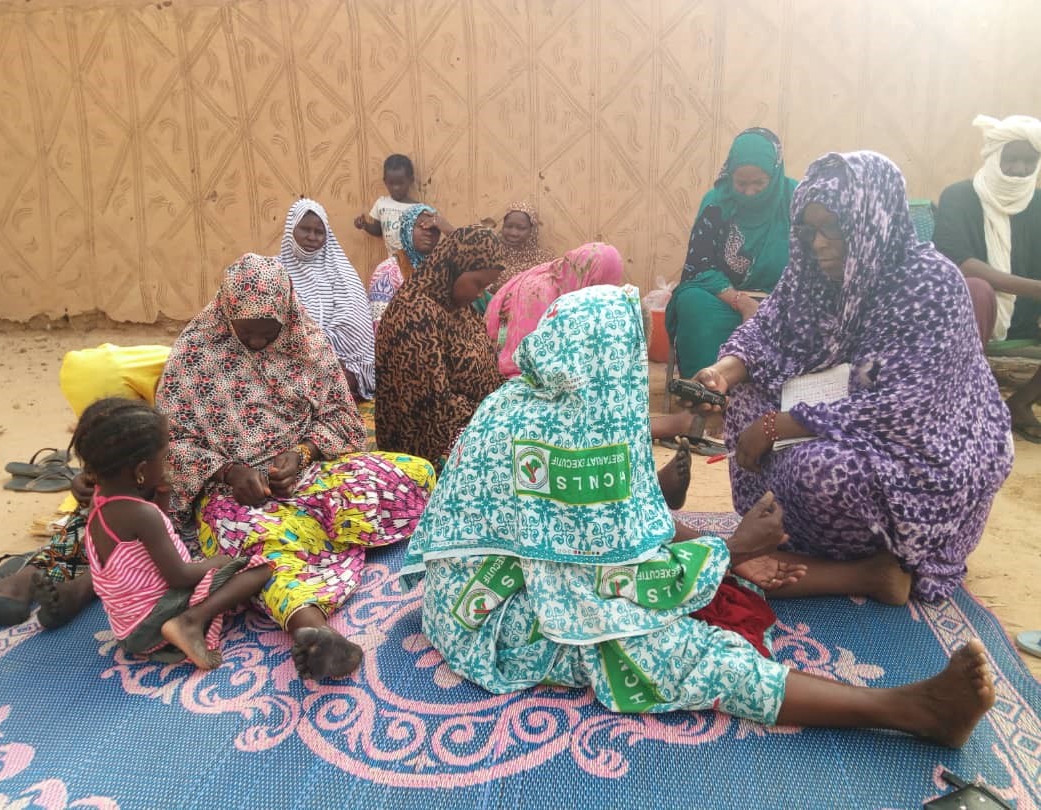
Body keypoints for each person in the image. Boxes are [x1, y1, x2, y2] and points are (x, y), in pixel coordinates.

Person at [399, 284, 994, 749]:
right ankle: (906, 712)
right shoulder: (545, 433)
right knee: (669, 648)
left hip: (550, 558)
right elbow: (594, 576)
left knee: (694, 562)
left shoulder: (564, 400)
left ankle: (865, 578)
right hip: (492, 609)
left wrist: (709, 544)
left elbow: (611, 527)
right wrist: (728, 551)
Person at [694, 151, 1012, 602]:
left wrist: (775, 426)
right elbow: (766, 334)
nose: (818, 243)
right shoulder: (815, 273)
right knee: (747, 396)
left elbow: (905, 409)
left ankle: (873, 568)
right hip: (835, 412)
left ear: (872, 222)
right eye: (808, 230)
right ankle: (787, 538)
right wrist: (721, 374)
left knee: (821, 471)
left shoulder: (930, 285)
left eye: (833, 229)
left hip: (922, 451)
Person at [156, 253, 435, 681]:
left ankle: (312, 536)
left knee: (416, 474)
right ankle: (314, 631)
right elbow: (171, 444)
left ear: (287, 314)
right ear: (226, 316)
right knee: (259, 555)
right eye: (244, 335)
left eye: (268, 335)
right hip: (231, 497)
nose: (256, 345)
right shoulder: (195, 353)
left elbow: (344, 420)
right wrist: (228, 472)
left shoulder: (307, 340)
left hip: (308, 477)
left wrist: (302, 453)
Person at [0, 343, 173, 629]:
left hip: (177, 503)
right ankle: (24, 582)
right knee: (98, 514)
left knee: (135, 528)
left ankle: (79, 588)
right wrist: (92, 478)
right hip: (144, 487)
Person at [73, 398, 271, 669]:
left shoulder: (101, 500)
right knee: (258, 568)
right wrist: (221, 561)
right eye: (163, 458)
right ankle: (191, 622)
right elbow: (179, 577)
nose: (166, 465)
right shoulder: (142, 515)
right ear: (141, 471)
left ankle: (185, 620)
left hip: (127, 630)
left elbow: (149, 544)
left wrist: (163, 498)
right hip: (153, 624)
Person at [932, 114, 1041, 442]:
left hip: (1025, 314)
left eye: (1029, 161)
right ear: (994, 158)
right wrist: (1036, 289)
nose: (1021, 170)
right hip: (967, 312)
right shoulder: (959, 196)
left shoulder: (1037, 205)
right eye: (1012, 160)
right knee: (977, 289)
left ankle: (1020, 404)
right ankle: (963, 408)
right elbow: (959, 264)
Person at [666, 128, 798, 377]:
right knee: (692, 302)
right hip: (724, 297)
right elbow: (698, 267)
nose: (749, 192)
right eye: (741, 183)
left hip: (781, 300)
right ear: (730, 176)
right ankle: (706, 392)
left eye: (758, 183)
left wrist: (769, 306)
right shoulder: (716, 202)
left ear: (775, 172)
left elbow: (812, 264)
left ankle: (768, 401)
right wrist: (742, 303)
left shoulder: (795, 199)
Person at [375, 227, 506, 467]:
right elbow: (432, 407)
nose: (480, 294)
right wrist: (495, 414)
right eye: (477, 283)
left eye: (486, 287)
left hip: (471, 422)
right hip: (423, 449)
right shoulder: (415, 314)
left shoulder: (459, 308)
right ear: (454, 267)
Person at [280, 198, 375, 399]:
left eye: (319, 231)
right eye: (305, 229)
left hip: (340, 361)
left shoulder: (341, 272)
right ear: (291, 230)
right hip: (290, 360)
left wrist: (324, 352)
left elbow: (354, 325)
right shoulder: (276, 271)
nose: (312, 236)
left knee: (332, 380)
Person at [485, 243, 624, 378]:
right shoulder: (540, 294)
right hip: (505, 358)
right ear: (591, 278)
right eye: (601, 285)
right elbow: (529, 356)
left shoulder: (567, 275)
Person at [367, 204, 448, 330]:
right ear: (407, 228)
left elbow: (476, 258)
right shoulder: (388, 271)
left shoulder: (441, 269)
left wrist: (447, 228)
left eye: (434, 228)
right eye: (422, 226)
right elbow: (379, 325)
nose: (428, 232)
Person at [354, 154, 420, 255]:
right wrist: (365, 225)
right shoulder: (381, 204)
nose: (396, 188)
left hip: (414, 263)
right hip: (392, 264)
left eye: (400, 183)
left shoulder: (417, 209)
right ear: (385, 182)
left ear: (411, 180)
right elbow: (378, 231)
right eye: (391, 183)